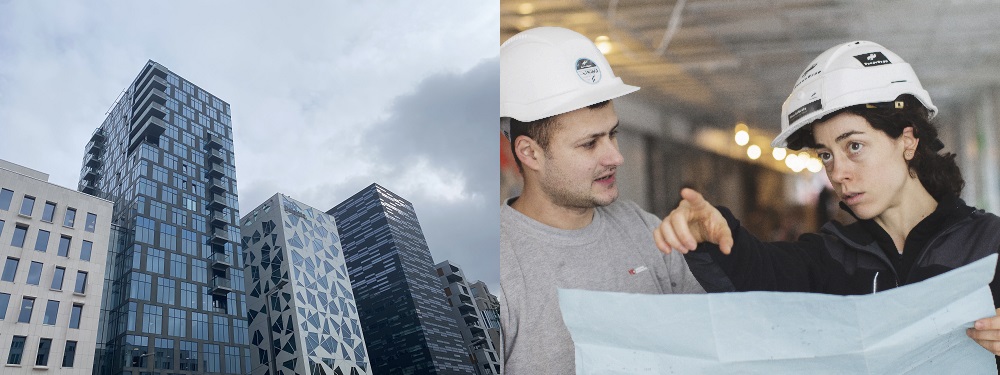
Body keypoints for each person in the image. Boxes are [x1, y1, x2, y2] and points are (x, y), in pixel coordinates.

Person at [652, 40, 1000, 367]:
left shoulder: (989, 245)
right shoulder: (832, 257)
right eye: (826, 155)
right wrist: (714, 234)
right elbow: (759, 272)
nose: (838, 173)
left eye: (855, 147)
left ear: (907, 141)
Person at [499, 26, 705, 374]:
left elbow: (706, 344)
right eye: (590, 143)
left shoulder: (645, 230)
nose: (615, 157)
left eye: (613, 134)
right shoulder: (495, 267)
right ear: (530, 153)